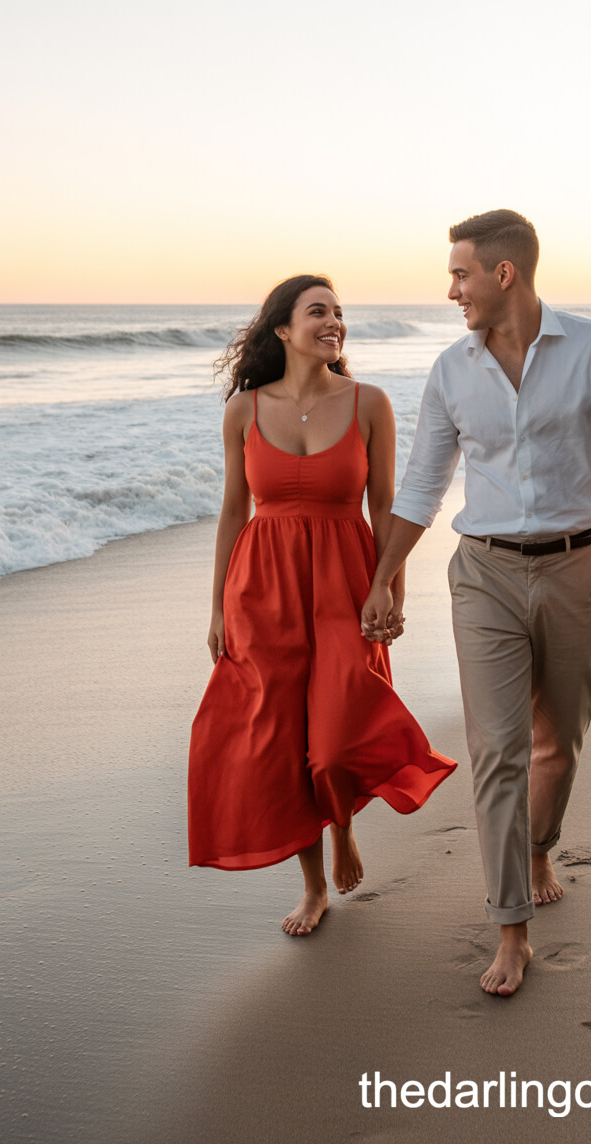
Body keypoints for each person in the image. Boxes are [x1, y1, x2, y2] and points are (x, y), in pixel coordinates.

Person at [362, 211, 591, 995]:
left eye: (460, 274)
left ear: (504, 275)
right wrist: (385, 575)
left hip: (574, 570)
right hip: (483, 574)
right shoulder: (450, 370)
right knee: (499, 753)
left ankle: (538, 845)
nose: (450, 289)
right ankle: (510, 929)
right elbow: (423, 483)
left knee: (558, 742)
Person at [188, 274, 456, 936]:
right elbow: (232, 512)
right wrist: (219, 607)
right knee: (282, 744)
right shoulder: (244, 411)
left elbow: (386, 504)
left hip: (344, 582)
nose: (335, 321)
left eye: (339, 312)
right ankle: (313, 888)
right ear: (284, 330)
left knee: (335, 743)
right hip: (263, 589)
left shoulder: (370, 403)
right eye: (319, 312)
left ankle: (344, 828)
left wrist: (391, 587)